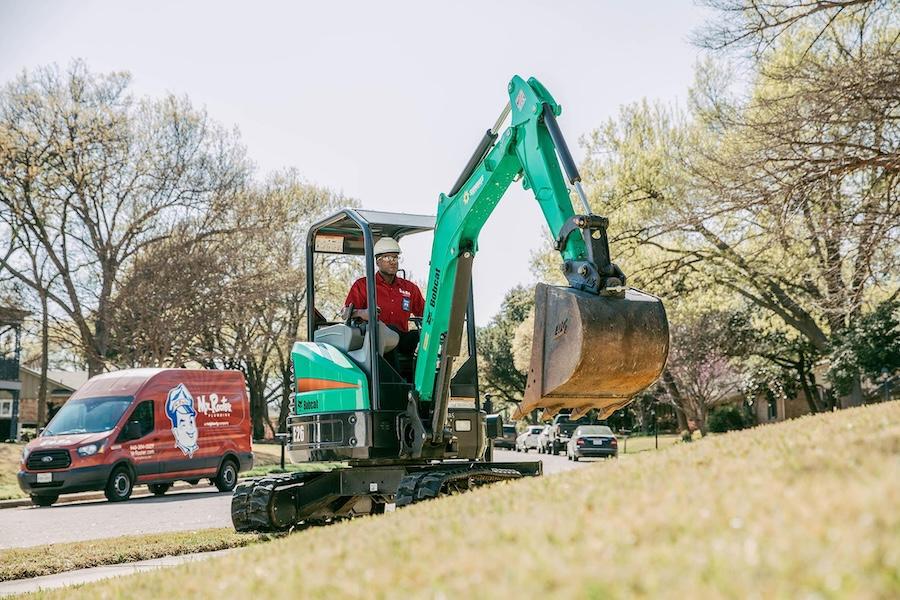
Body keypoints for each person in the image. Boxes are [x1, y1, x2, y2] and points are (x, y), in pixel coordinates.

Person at [344, 237, 424, 376]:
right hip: (374, 340)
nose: (393, 261)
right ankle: (396, 385)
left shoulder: (410, 288)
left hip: (401, 338)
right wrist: (363, 313)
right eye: (387, 258)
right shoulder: (363, 285)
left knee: (422, 336)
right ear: (378, 261)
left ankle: (422, 384)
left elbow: (425, 313)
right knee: (388, 331)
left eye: (395, 257)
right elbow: (345, 313)